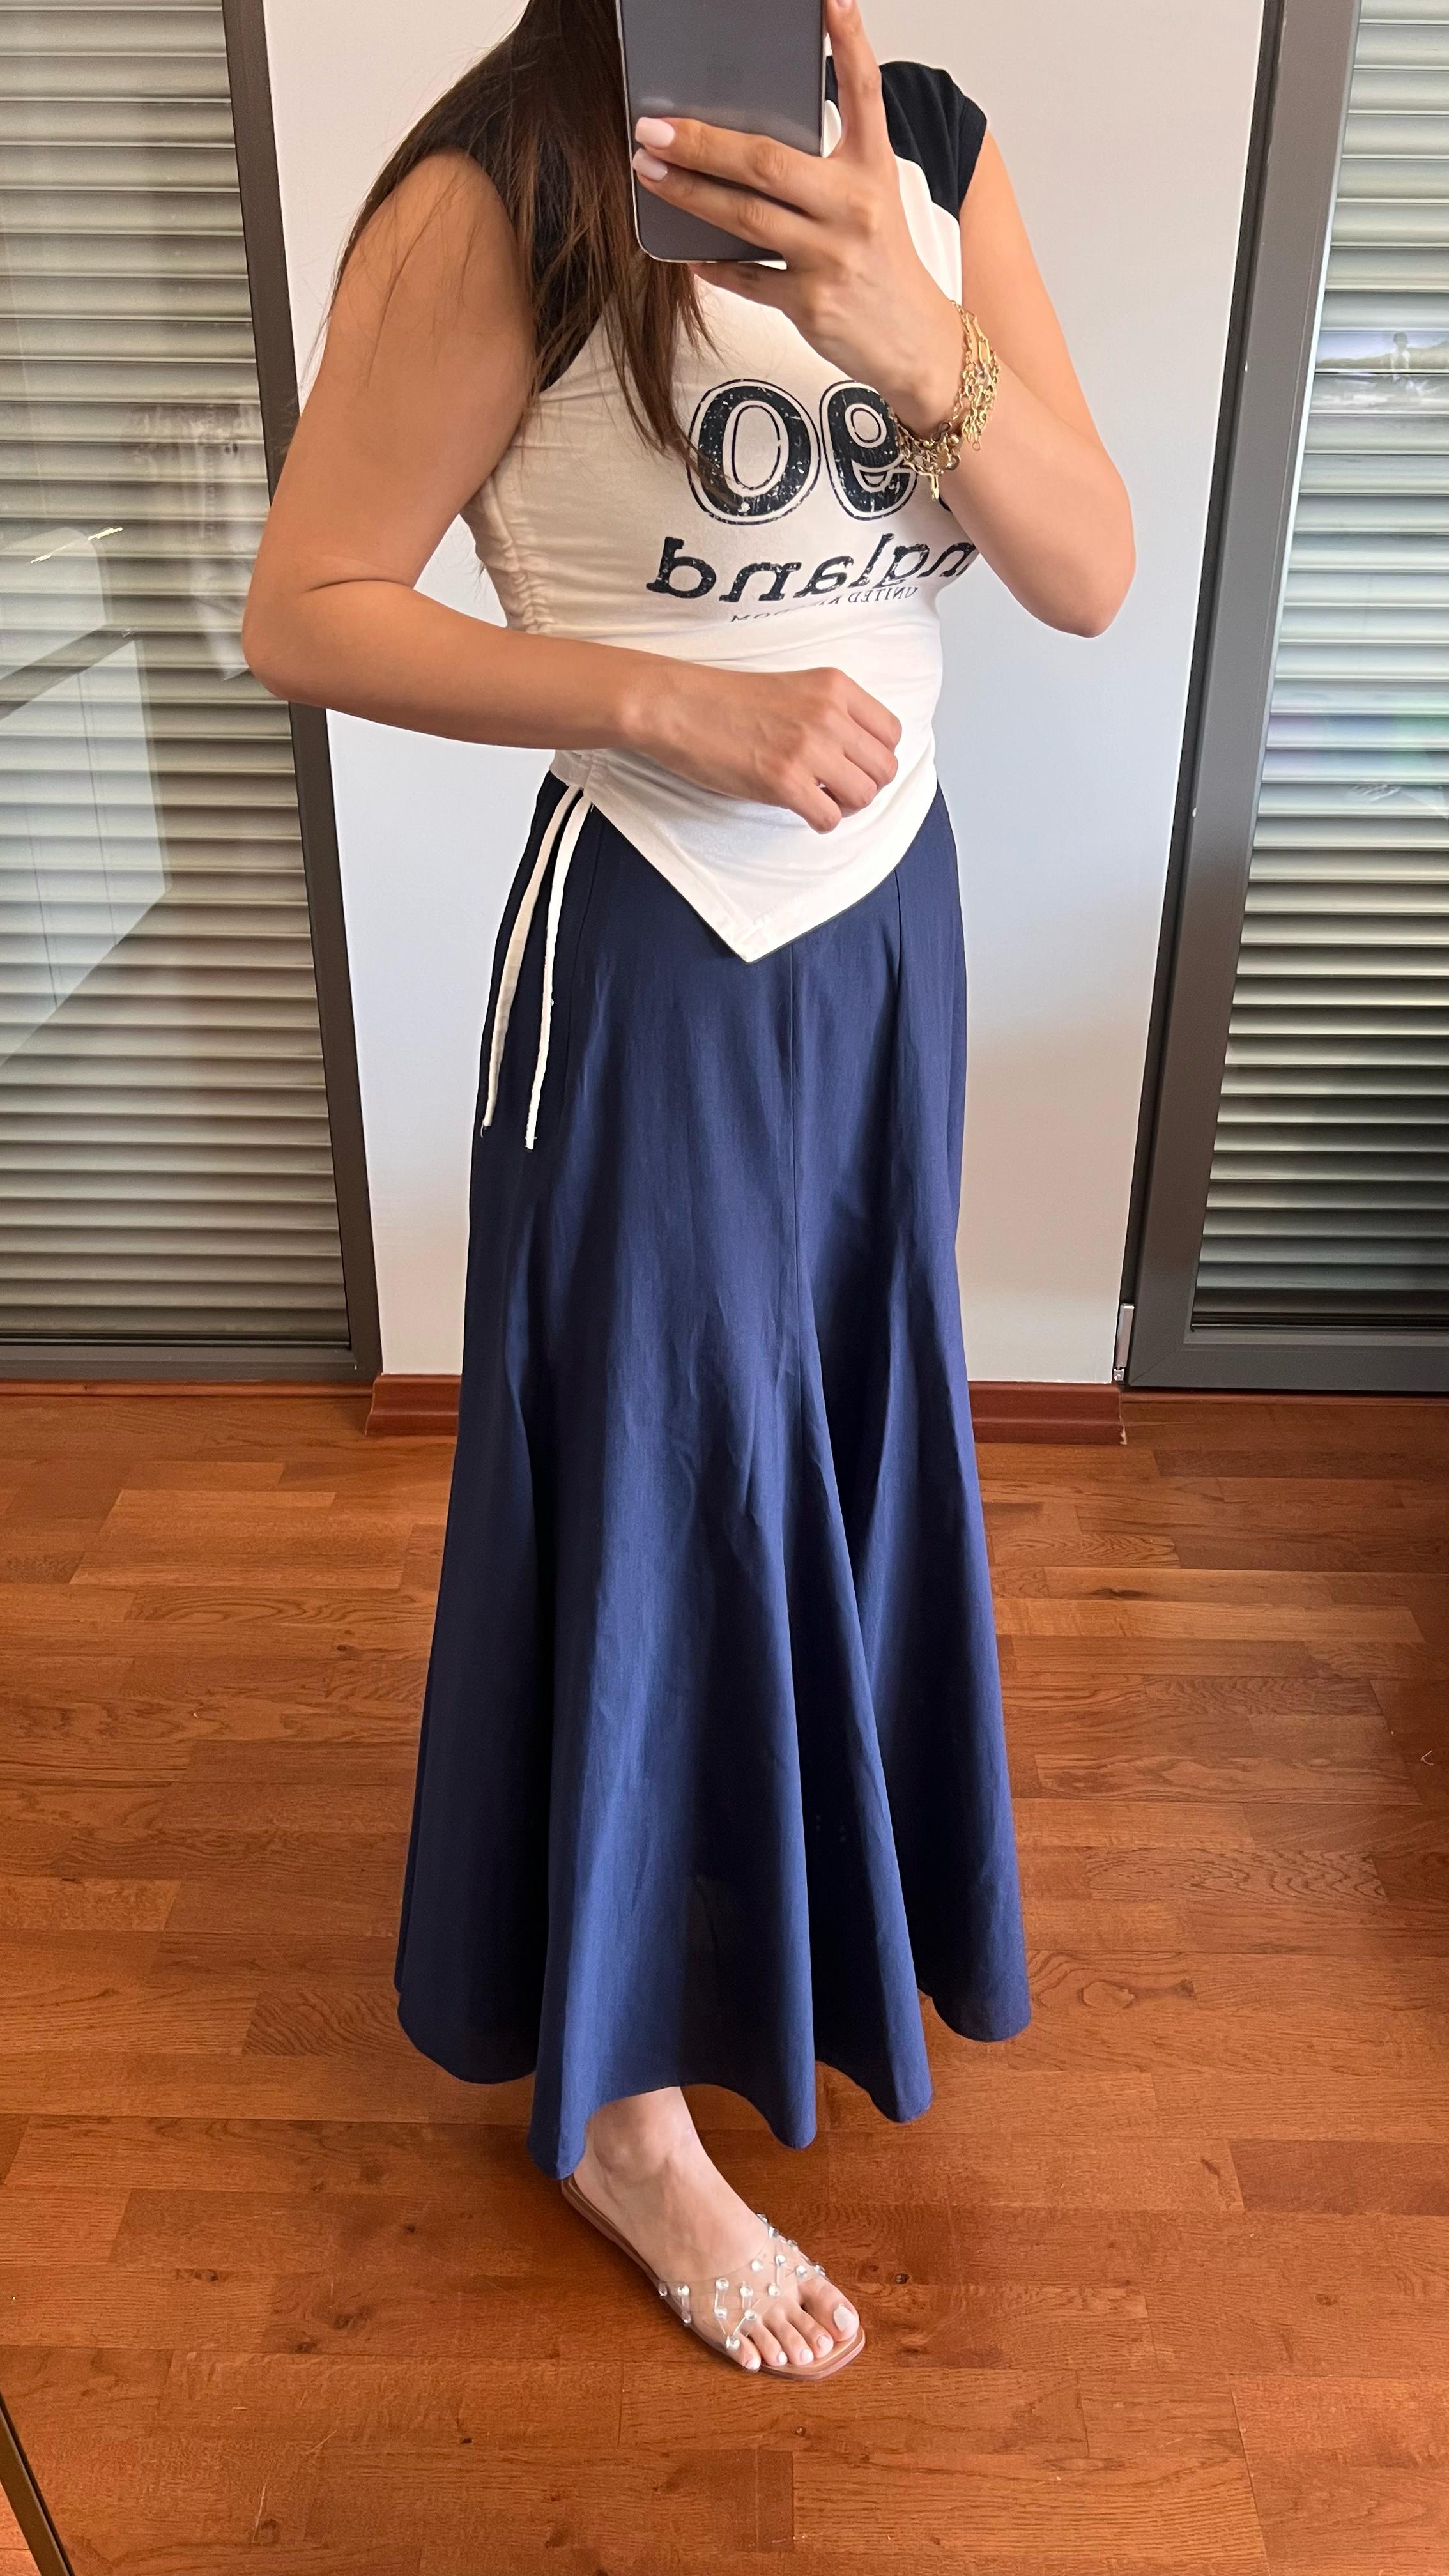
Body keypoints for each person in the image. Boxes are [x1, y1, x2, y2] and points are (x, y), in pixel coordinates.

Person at [244, 0, 1133, 2380]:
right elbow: (304, 600)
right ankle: (624, 2115)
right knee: (654, 1485)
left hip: (884, 938)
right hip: (651, 938)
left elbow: (1083, 567)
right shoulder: (505, 178)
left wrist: (903, 328)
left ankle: (792, 1944)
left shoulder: (922, 144)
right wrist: (662, 697)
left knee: (833, 1451)